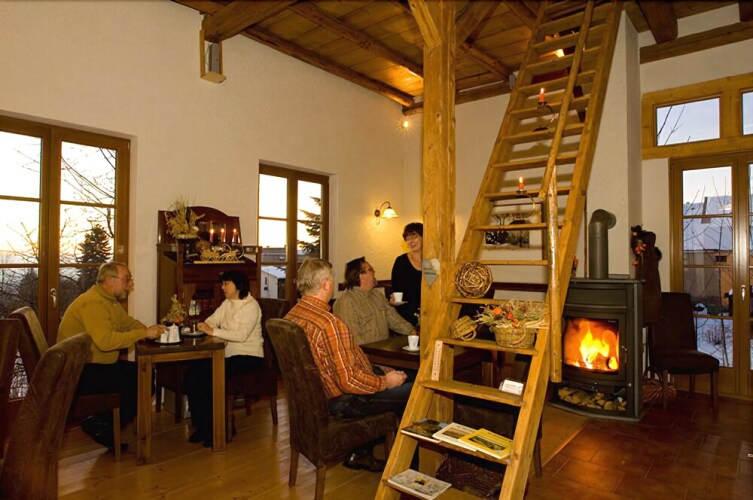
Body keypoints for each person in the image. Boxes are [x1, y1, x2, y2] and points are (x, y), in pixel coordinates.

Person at [285, 258, 412, 471]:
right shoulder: (329, 323)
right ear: (326, 284)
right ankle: (410, 460)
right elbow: (349, 382)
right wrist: (385, 382)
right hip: (344, 401)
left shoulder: (291, 316)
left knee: (400, 379)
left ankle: (362, 452)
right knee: (416, 390)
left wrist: (377, 370)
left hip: (319, 399)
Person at [57, 261, 165, 451]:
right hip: (78, 372)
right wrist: (144, 333)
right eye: (127, 279)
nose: (130, 284)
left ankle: (104, 424)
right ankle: (100, 423)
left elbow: (127, 323)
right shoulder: (93, 303)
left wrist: (151, 331)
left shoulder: (108, 301)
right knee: (141, 379)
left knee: (144, 375)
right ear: (109, 280)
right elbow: (105, 341)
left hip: (94, 365)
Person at [184, 270, 263, 447]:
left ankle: (220, 428)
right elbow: (211, 321)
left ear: (238, 285)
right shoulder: (227, 303)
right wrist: (206, 327)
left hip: (248, 356)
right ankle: (203, 425)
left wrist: (214, 332)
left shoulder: (251, 306)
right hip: (227, 354)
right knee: (194, 371)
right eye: (222, 283)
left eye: (226, 283)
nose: (222, 287)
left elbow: (241, 335)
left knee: (210, 375)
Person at [334, 256, 416, 345]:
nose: (374, 272)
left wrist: (411, 331)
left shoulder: (377, 295)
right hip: (368, 352)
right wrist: (373, 351)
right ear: (361, 276)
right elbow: (353, 339)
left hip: (383, 349)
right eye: (371, 270)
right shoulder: (346, 302)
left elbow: (393, 318)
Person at [391, 222, 423, 327]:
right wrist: (394, 299)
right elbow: (396, 290)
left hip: (430, 308)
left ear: (424, 237)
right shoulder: (401, 261)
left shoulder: (432, 261)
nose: (411, 241)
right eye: (407, 238)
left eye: (414, 236)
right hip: (407, 312)